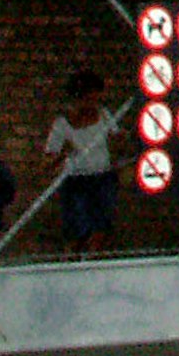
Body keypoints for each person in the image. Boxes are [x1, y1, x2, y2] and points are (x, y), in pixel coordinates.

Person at [41, 71, 120, 253]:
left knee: (100, 230)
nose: (94, 104)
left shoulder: (106, 116)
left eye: (97, 99)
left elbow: (119, 146)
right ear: (78, 98)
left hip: (102, 179)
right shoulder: (62, 125)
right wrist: (63, 153)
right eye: (89, 99)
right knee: (76, 232)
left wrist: (120, 141)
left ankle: (92, 262)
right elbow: (46, 164)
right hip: (76, 183)